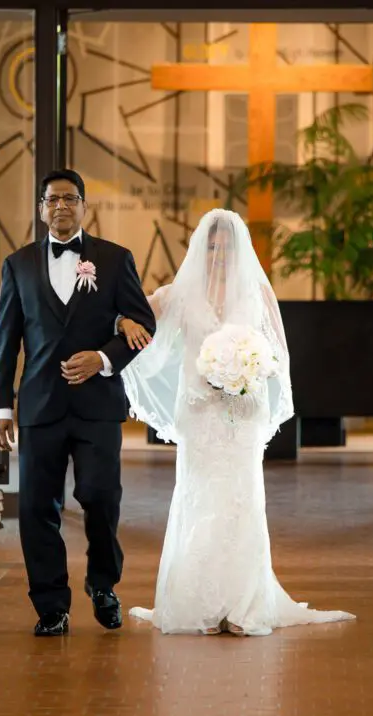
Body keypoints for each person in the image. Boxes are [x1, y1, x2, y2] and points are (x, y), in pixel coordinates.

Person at [117, 209, 355, 636]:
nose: (219, 253)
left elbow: (277, 356)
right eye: (211, 245)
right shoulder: (180, 295)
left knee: (240, 503)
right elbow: (136, 314)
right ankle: (199, 605)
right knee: (199, 500)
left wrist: (250, 369)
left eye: (226, 246)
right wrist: (121, 320)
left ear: (239, 249)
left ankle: (242, 605)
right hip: (200, 414)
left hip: (241, 415)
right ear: (200, 248)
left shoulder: (256, 295)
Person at [0, 169, 156, 636]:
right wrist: (0, 405)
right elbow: (7, 339)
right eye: (51, 200)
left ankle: (103, 584)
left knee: (101, 498)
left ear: (84, 206)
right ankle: (51, 605)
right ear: (41, 209)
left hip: (98, 405)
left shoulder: (114, 258)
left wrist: (104, 356)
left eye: (70, 198)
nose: (61, 206)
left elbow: (143, 323)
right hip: (40, 405)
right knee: (37, 507)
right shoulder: (17, 265)